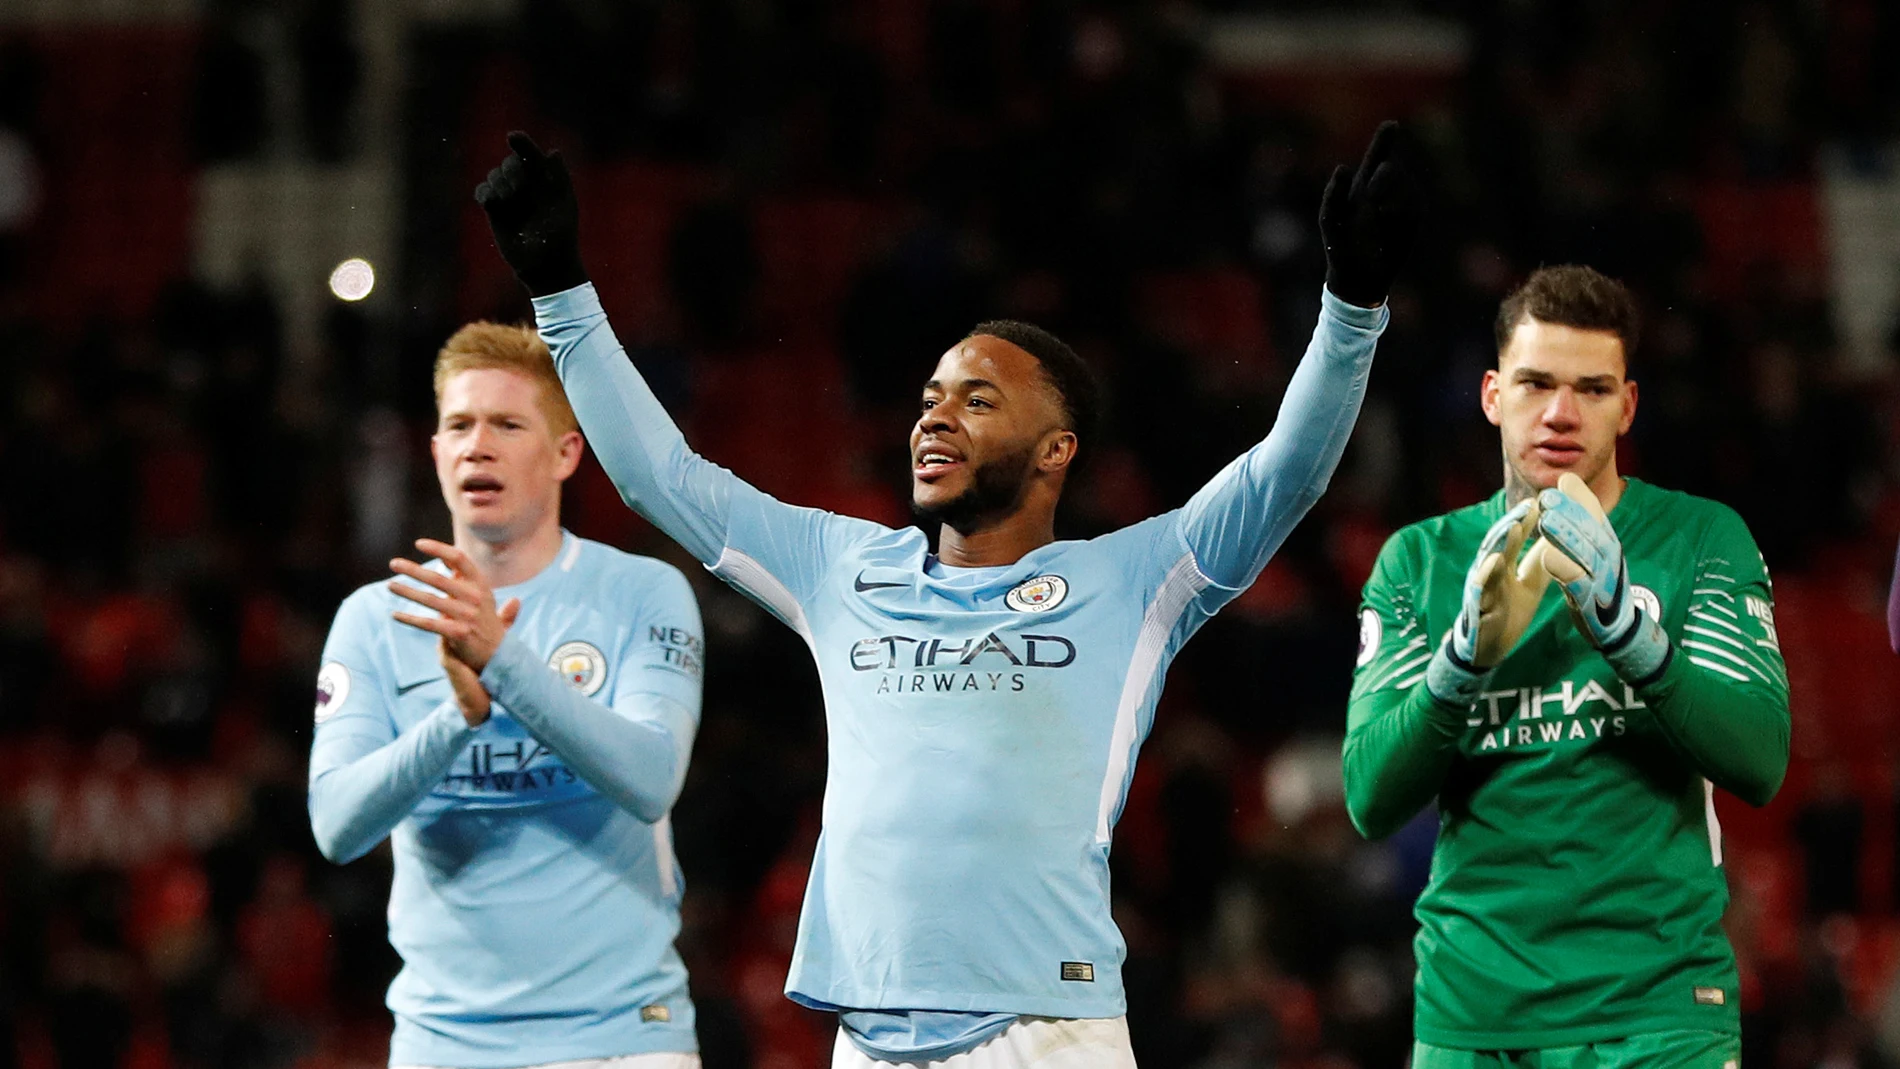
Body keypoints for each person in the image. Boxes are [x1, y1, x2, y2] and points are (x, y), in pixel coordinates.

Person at [473, 122, 1417, 1068]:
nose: (935, 413)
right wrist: (560, 291)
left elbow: (1284, 473)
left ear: (1058, 448)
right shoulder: (841, 567)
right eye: (931, 395)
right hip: (868, 1039)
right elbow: (658, 476)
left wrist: (1350, 311)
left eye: (977, 398)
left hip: (1047, 1032)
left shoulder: (1135, 578)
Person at [1346, 265, 1791, 1069]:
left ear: (1627, 404)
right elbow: (1371, 800)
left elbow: (1760, 759)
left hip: (1658, 1013)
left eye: (1591, 388)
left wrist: (1632, 637)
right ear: (1491, 395)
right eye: (1536, 383)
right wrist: (1459, 665)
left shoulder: (1700, 539)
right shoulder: (1418, 561)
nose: (1560, 413)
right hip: (1472, 1016)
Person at [307, 323, 707, 1069]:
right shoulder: (373, 617)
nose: (477, 444)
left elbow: (653, 778)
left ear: (565, 453)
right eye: (458, 424)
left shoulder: (642, 594)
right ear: (434, 452)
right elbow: (335, 825)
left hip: (623, 1038)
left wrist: (505, 665)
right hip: (442, 1044)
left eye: (507, 423)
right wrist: (458, 718)